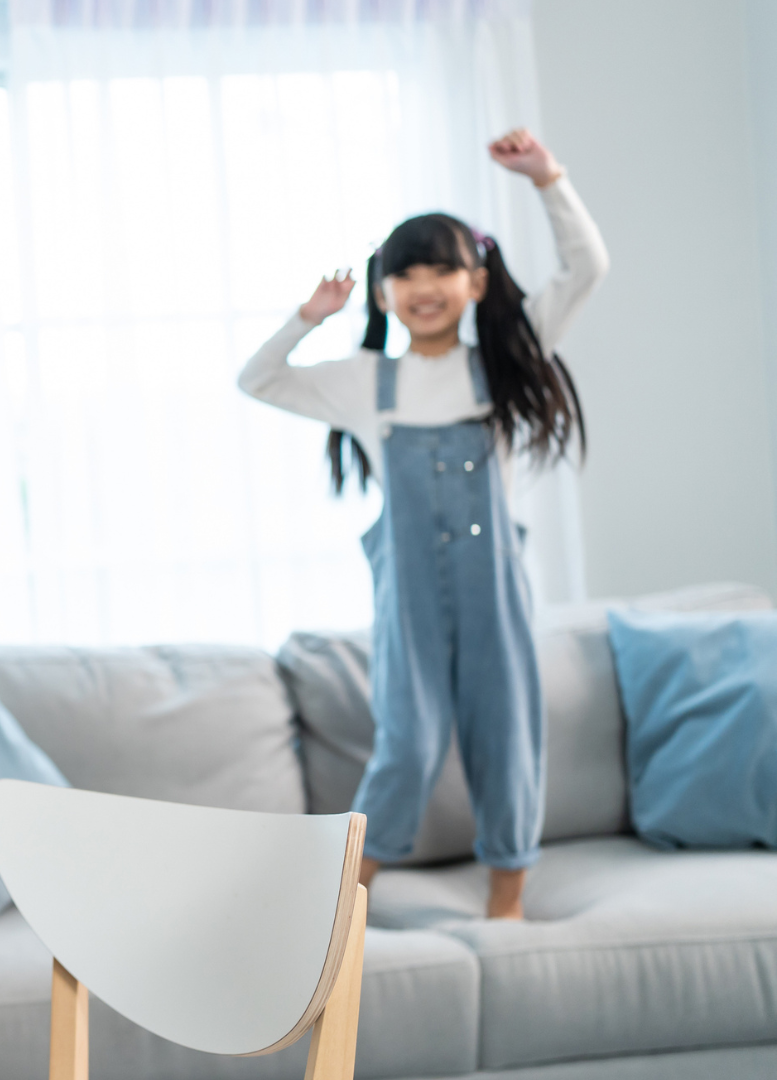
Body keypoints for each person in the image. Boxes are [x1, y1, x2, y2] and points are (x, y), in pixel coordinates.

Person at [238, 129, 609, 919]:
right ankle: (341, 906)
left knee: (506, 736)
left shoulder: (504, 362)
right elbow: (258, 379)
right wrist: (307, 318)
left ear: (476, 282)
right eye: (404, 273)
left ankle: (505, 903)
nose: (423, 285)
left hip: (494, 598)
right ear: (383, 295)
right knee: (406, 745)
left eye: (441, 268)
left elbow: (587, 270)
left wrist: (549, 178)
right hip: (409, 605)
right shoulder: (365, 383)